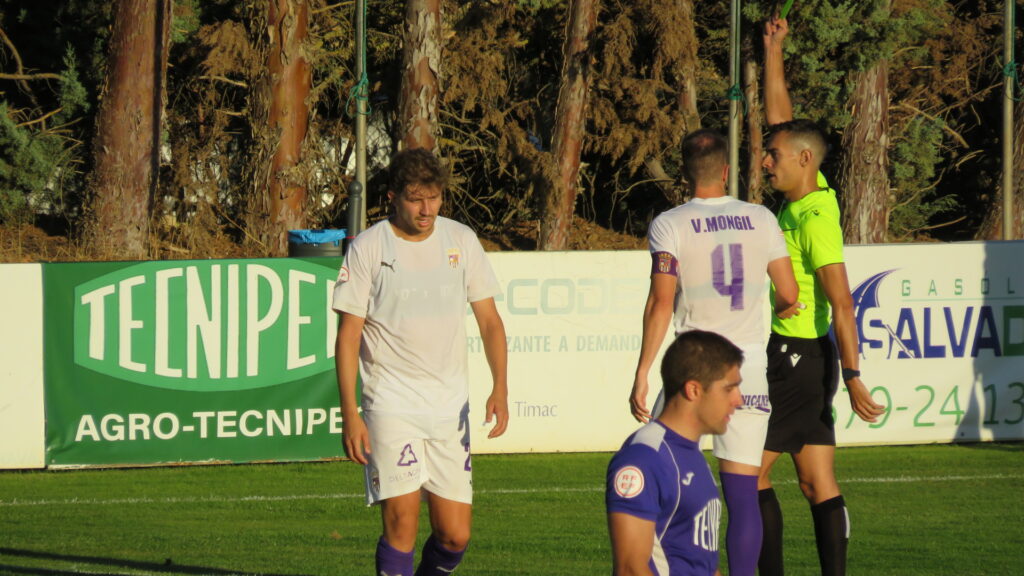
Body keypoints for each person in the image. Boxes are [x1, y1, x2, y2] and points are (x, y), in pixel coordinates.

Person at [628, 128, 798, 575]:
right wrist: (782, 306)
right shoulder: (761, 217)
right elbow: (789, 292)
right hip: (747, 370)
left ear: (685, 173)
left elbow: (661, 301)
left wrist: (643, 372)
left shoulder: (670, 223)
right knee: (743, 497)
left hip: (694, 368)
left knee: (659, 477)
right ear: (726, 171)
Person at [332, 148, 510, 576]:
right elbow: (348, 335)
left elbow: (490, 321)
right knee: (402, 526)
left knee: (455, 536)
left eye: (434, 197)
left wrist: (500, 386)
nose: (427, 209)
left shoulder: (460, 240)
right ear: (393, 198)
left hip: (450, 407)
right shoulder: (369, 246)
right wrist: (350, 413)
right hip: (391, 404)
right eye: (416, 199)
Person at [757, 16, 886, 576]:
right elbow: (782, 122)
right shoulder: (809, 194)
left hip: (796, 358)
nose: (766, 161)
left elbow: (843, 301)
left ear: (803, 161)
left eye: (773, 156)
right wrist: (774, 50)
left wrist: (854, 374)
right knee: (815, 482)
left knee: (749, 475)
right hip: (804, 359)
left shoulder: (815, 221)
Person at [609, 330, 745, 576]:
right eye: (729, 389)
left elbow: (701, 563)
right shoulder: (645, 457)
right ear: (693, 390)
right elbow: (630, 569)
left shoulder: (690, 453)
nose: (739, 400)